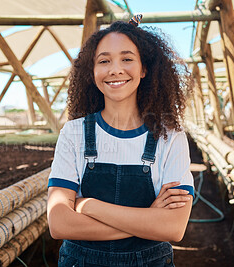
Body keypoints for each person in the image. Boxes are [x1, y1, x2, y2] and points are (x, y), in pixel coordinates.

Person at [47, 15, 194, 267]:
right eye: (104, 61)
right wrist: (149, 220)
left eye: (127, 59)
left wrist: (90, 206)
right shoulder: (73, 133)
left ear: (144, 68)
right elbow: (59, 224)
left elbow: (173, 228)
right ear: (92, 72)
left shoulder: (171, 137)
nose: (115, 69)